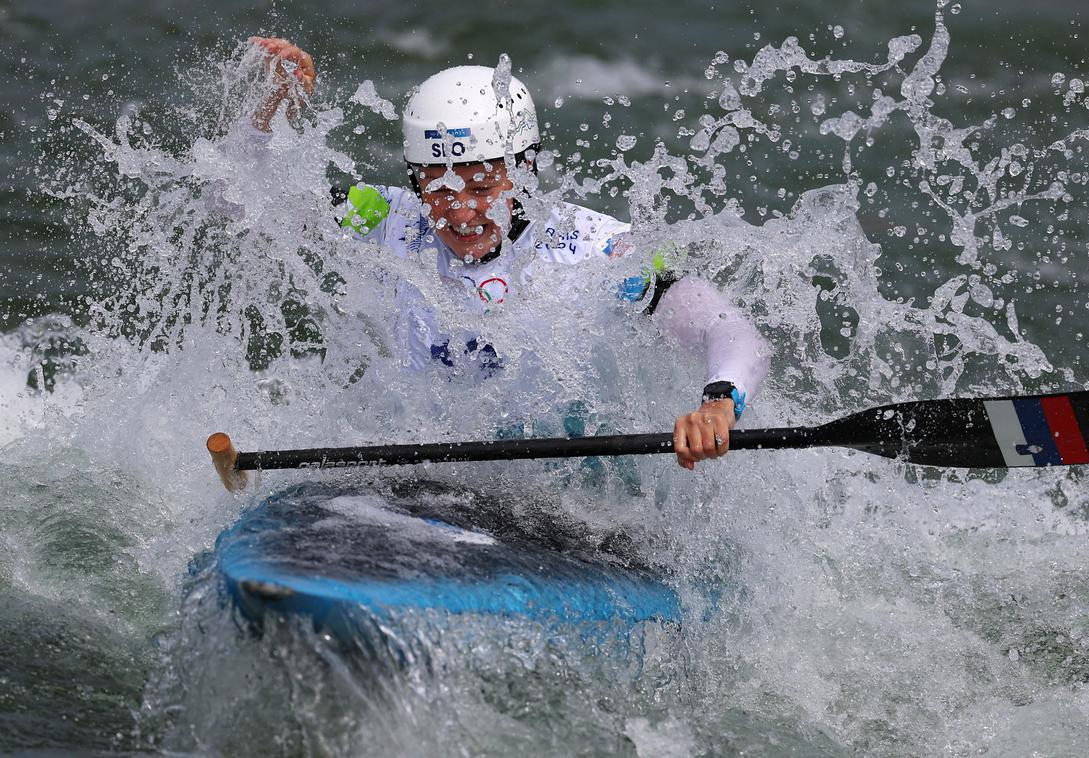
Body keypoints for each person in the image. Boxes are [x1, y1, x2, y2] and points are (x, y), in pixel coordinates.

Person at [246, 37, 769, 470]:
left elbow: (725, 326)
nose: (460, 212)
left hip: (568, 490)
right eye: (439, 188)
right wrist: (266, 117)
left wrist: (719, 402)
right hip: (424, 479)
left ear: (524, 172)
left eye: (480, 186)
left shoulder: (596, 247)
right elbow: (241, 204)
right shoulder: (388, 218)